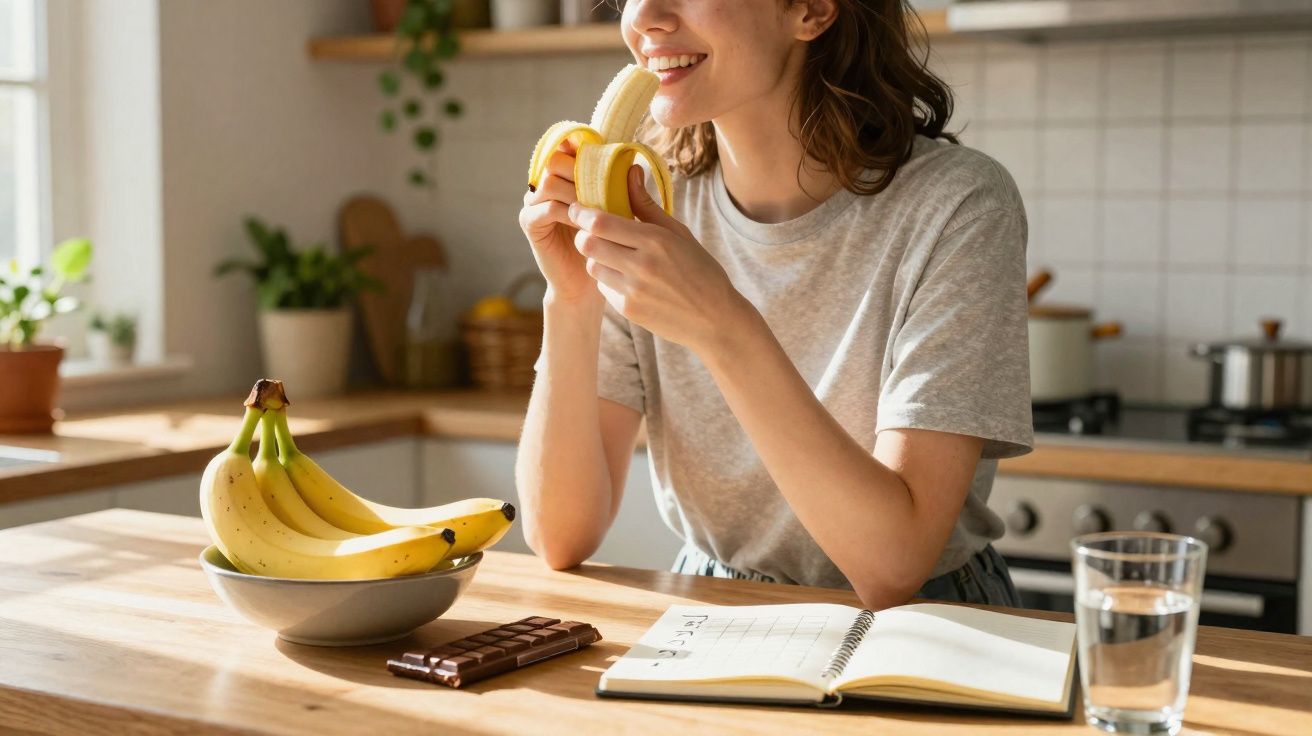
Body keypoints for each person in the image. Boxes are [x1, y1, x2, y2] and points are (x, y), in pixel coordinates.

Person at [514, 0, 1031, 611]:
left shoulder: (958, 206)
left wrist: (723, 327)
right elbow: (559, 536)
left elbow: (892, 567)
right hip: (712, 604)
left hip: (926, 620)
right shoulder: (649, 203)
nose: (644, 16)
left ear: (811, 10)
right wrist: (571, 297)